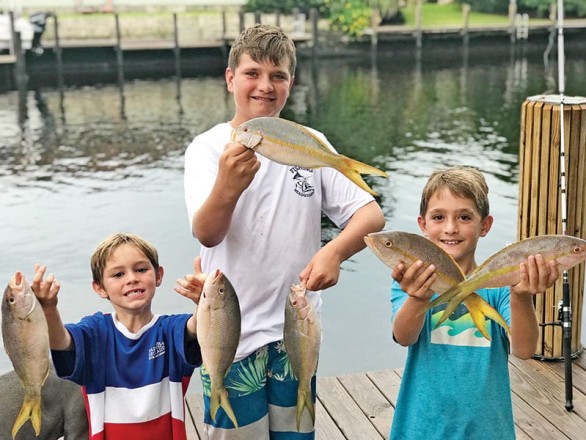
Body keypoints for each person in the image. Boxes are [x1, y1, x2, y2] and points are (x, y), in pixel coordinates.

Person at [183, 24, 385, 438]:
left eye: (278, 76)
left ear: (291, 84)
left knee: (297, 433)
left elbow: (370, 214)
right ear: (230, 79)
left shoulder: (309, 141)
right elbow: (207, 234)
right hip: (230, 335)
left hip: (297, 327)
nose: (265, 86)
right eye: (252, 73)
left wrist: (335, 251)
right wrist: (227, 185)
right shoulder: (208, 149)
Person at [388, 166, 560, 440]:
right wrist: (417, 297)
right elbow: (404, 336)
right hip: (421, 429)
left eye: (464, 217)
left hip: (487, 432)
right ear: (423, 225)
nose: (450, 228)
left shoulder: (501, 288)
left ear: (485, 226)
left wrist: (521, 295)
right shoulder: (413, 281)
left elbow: (525, 349)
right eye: (438, 217)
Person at [31, 233, 207, 440]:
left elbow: (197, 326)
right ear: (99, 287)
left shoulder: (170, 329)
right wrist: (49, 309)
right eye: (118, 275)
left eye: (141, 269)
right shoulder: (95, 332)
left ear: (158, 275)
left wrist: (205, 301)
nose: (132, 279)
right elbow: (61, 341)